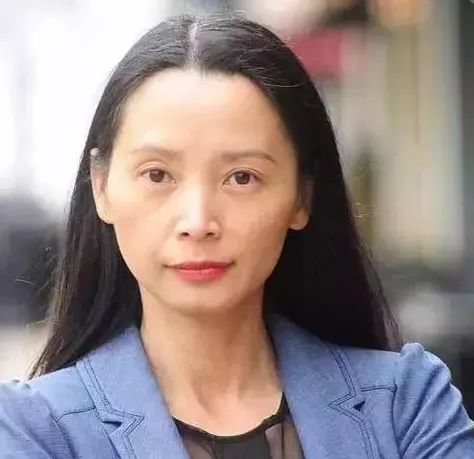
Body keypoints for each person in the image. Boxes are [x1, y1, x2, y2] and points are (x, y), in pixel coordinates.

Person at [0, 12, 473, 459]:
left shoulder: (405, 404)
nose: (198, 220)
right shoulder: (37, 429)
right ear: (101, 187)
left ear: (302, 196)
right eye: (157, 174)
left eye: (241, 177)